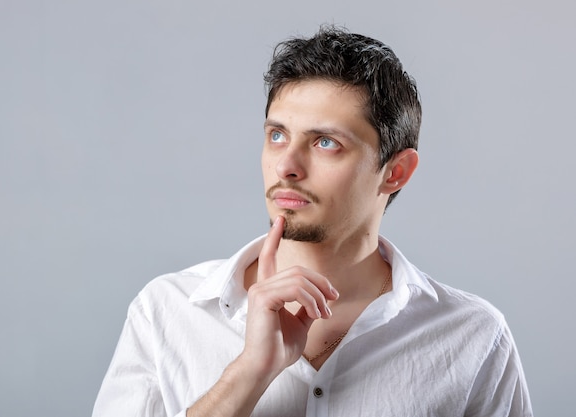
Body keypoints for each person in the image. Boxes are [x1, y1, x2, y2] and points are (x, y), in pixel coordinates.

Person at [92, 26, 533, 417]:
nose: (286, 165)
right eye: (277, 135)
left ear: (395, 171)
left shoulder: (472, 337)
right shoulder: (167, 311)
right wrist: (249, 373)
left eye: (325, 142)